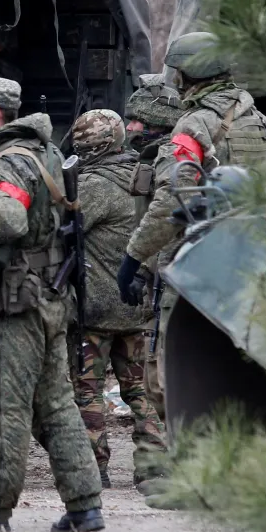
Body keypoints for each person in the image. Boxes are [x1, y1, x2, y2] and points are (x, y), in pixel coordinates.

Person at [0, 77, 104, 532]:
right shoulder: (40, 151)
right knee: (55, 407)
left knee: (1, 409)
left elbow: (8, 220)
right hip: (45, 298)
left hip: (15, 304)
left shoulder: (9, 161)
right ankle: (85, 507)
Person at [116, 32, 266, 300]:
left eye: (179, 73)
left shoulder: (195, 124)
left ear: (191, 74)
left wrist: (133, 259)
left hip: (198, 266)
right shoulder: (259, 120)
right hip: (253, 262)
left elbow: (173, 200)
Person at [66, 109, 170, 489]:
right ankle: (154, 463)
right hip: (133, 305)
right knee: (138, 389)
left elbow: (66, 230)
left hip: (95, 309)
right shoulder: (139, 177)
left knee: (88, 391)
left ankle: (96, 467)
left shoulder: (92, 185)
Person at [121, 74, 184, 429]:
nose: (129, 127)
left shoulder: (171, 155)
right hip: (160, 271)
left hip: (174, 275)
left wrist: (134, 264)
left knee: (161, 379)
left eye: (137, 120)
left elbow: (162, 216)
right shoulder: (154, 156)